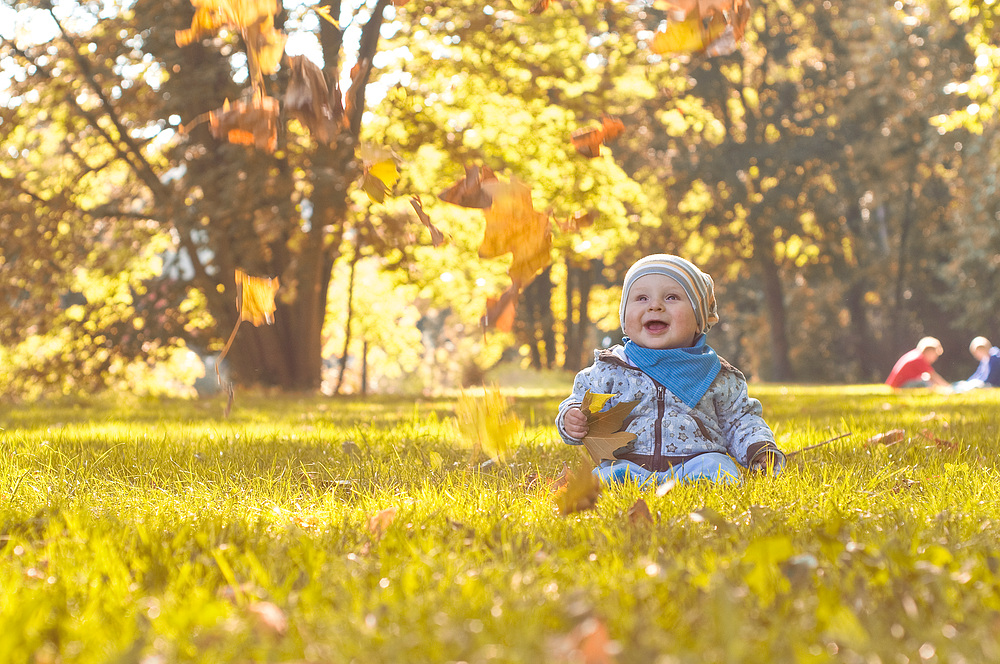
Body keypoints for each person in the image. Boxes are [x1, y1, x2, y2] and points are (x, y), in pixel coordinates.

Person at [555, 254, 785, 486]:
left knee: (720, 470)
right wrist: (571, 417)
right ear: (625, 317)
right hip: (629, 462)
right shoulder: (611, 368)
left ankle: (700, 483)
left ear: (699, 320)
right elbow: (581, 400)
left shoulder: (717, 375)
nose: (655, 305)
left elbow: (740, 420)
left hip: (697, 460)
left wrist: (759, 447)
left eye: (672, 297)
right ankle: (622, 483)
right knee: (603, 477)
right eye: (641, 298)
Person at [884, 337, 949, 389]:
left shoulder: (915, 354)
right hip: (899, 386)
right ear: (929, 351)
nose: (935, 358)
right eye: (935, 355)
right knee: (924, 384)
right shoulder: (919, 359)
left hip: (896, 385)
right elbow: (933, 376)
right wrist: (947, 387)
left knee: (925, 379)